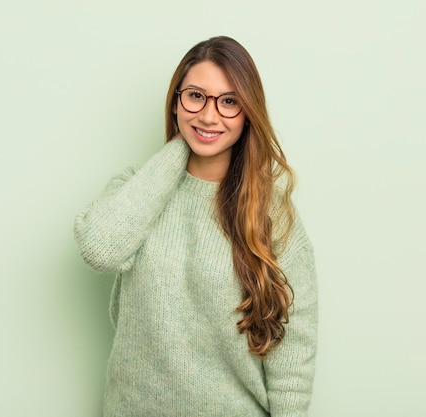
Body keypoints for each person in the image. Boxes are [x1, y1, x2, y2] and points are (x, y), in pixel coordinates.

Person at [74, 35, 318, 417]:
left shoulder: (271, 214)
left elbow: (292, 352)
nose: (208, 115)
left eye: (229, 102)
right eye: (195, 96)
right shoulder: (136, 189)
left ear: (248, 112)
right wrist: (179, 149)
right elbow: (100, 250)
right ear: (175, 102)